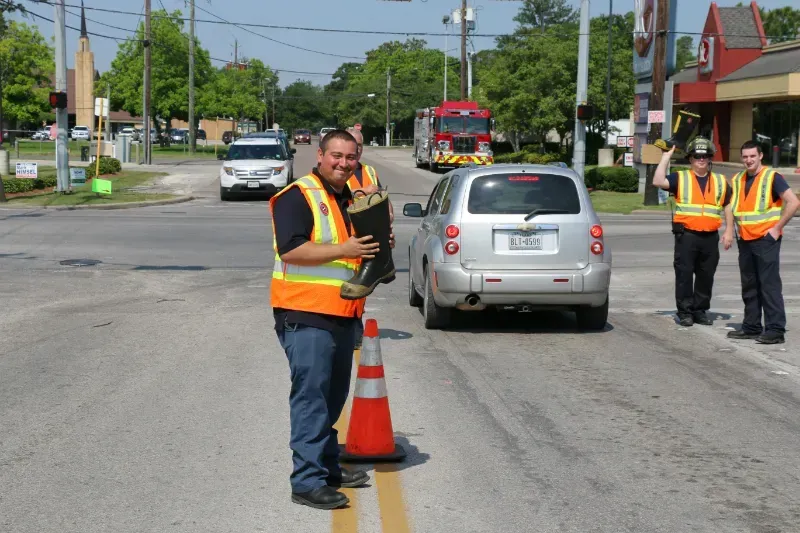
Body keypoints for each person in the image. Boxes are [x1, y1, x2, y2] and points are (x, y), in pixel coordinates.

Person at [269, 129, 394, 510]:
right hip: (304, 312)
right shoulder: (298, 195)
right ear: (320, 155)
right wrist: (347, 248)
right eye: (335, 156)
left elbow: (365, 255)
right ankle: (306, 482)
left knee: (332, 396)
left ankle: (326, 466)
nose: (343, 163)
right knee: (311, 398)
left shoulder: (350, 199)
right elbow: (291, 250)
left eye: (350, 157)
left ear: (358, 160)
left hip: (343, 312)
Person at [653, 136, 734, 327]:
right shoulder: (681, 177)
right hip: (687, 235)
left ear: (710, 158)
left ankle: (700, 310)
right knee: (684, 275)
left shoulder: (721, 181)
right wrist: (666, 156)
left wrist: (729, 230)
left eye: (705, 155)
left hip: (710, 236)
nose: (701, 159)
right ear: (690, 159)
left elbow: (728, 205)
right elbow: (658, 180)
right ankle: (685, 312)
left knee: (706, 276)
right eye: (697, 155)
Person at [727, 140, 800, 344]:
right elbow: (732, 207)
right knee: (749, 285)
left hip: (766, 240)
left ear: (760, 156)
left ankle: (775, 330)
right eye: (745, 156)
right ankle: (751, 326)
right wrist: (729, 231)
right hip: (745, 240)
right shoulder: (738, 178)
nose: (748, 160)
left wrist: (777, 229)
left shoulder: (771, 177)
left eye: (752, 156)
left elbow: (794, 202)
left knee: (769, 285)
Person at [345, 126, 394, 346]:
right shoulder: (338, 172)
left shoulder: (370, 172)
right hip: (346, 243)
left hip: (368, 242)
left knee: (361, 293)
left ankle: (354, 330)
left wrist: (386, 224)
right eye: (353, 145)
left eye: (360, 145)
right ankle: (352, 332)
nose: (358, 150)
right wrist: (365, 194)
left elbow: (386, 206)